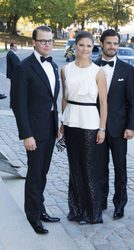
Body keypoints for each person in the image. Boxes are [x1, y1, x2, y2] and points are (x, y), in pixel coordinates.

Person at [11, 26, 60, 234]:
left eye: (50, 41)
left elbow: (51, 99)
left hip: (49, 128)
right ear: (33, 42)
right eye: (43, 41)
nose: (47, 44)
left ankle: (40, 209)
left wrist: (56, 125)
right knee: (34, 174)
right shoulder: (24, 68)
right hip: (34, 132)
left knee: (43, 173)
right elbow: (18, 104)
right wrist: (26, 134)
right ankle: (33, 217)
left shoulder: (54, 65)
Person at [60, 31, 107, 224]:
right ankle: (76, 210)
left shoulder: (98, 71)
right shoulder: (65, 69)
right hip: (71, 121)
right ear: (75, 46)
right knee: (74, 168)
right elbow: (64, 97)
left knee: (89, 168)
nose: (85, 49)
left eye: (89, 46)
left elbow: (103, 102)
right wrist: (62, 122)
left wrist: (102, 128)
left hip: (90, 122)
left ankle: (92, 213)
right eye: (81, 45)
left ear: (93, 47)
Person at [95, 29, 134, 220]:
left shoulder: (127, 70)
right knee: (100, 168)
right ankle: (100, 201)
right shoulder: (92, 67)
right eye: (109, 43)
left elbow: (132, 102)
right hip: (96, 128)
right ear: (102, 43)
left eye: (115, 43)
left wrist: (131, 126)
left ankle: (119, 204)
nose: (112, 47)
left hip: (120, 129)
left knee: (121, 168)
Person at [6, 42, 20, 107]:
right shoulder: (11, 54)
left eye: (16, 46)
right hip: (14, 75)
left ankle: (13, 103)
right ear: (11, 47)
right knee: (14, 89)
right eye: (14, 46)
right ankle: (13, 103)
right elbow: (16, 66)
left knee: (14, 89)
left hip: (12, 75)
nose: (16, 47)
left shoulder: (10, 53)